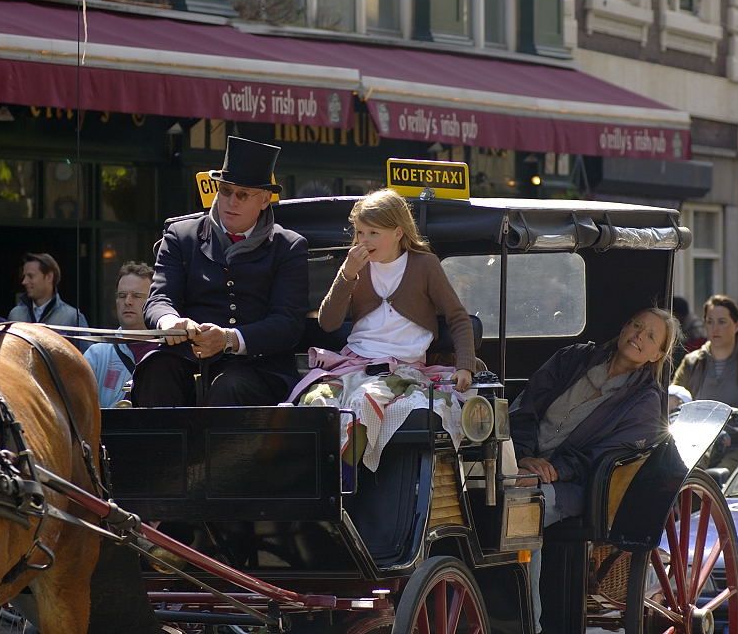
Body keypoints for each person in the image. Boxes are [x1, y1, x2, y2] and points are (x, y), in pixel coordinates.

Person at [508, 308, 680, 634]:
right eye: (635, 324)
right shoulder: (572, 359)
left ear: (658, 354)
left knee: (524, 511)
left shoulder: (644, 403)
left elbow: (603, 458)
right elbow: (526, 405)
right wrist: (524, 456)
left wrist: (553, 471)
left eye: (650, 336)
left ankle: (530, 624)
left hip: (580, 486)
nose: (638, 336)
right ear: (624, 325)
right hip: (521, 462)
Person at [288, 188, 476, 472]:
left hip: (403, 368)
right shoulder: (356, 267)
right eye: (360, 232)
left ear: (398, 233)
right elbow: (328, 323)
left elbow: (458, 318)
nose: (364, 240)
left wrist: (465, 366)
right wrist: (347, 274)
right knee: (315, 401)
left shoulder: (425, 265)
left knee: (364, 402)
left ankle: (345, 482)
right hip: (353, 363)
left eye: (374, 233)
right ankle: (309, 483)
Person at [132, 136, 309, 407]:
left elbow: (287, 323)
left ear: (263, 200)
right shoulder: (181, 235)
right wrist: (170, 322)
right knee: (155, 370)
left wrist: (229, 339)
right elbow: (159, 299)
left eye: (242, 195)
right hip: (186, 357)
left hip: (257, 367)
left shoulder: (288, 246)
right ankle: (157, 451)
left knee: (229, 387)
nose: (231, 201)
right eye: (225, 191)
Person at [673, 294, 738, 471]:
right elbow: (676, 392)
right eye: (709, 322)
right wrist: (673, 400)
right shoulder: (692, 361)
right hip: (700, 439)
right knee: (686, 470)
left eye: (722, 322)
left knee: (721, 475)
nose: (715, 328)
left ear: (737, 325)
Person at [83, 262, 157, 408]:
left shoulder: (168, 352)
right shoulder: (96, 355)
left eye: (136, 296)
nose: (127, 302)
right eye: (122, 296)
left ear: (154, 301)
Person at [7, 252, 89, 350]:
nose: (24, 282)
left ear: (49, 277)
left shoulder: (73, 318)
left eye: (30, 276)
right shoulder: (16, 315)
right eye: (24, 276)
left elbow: (87, 361)